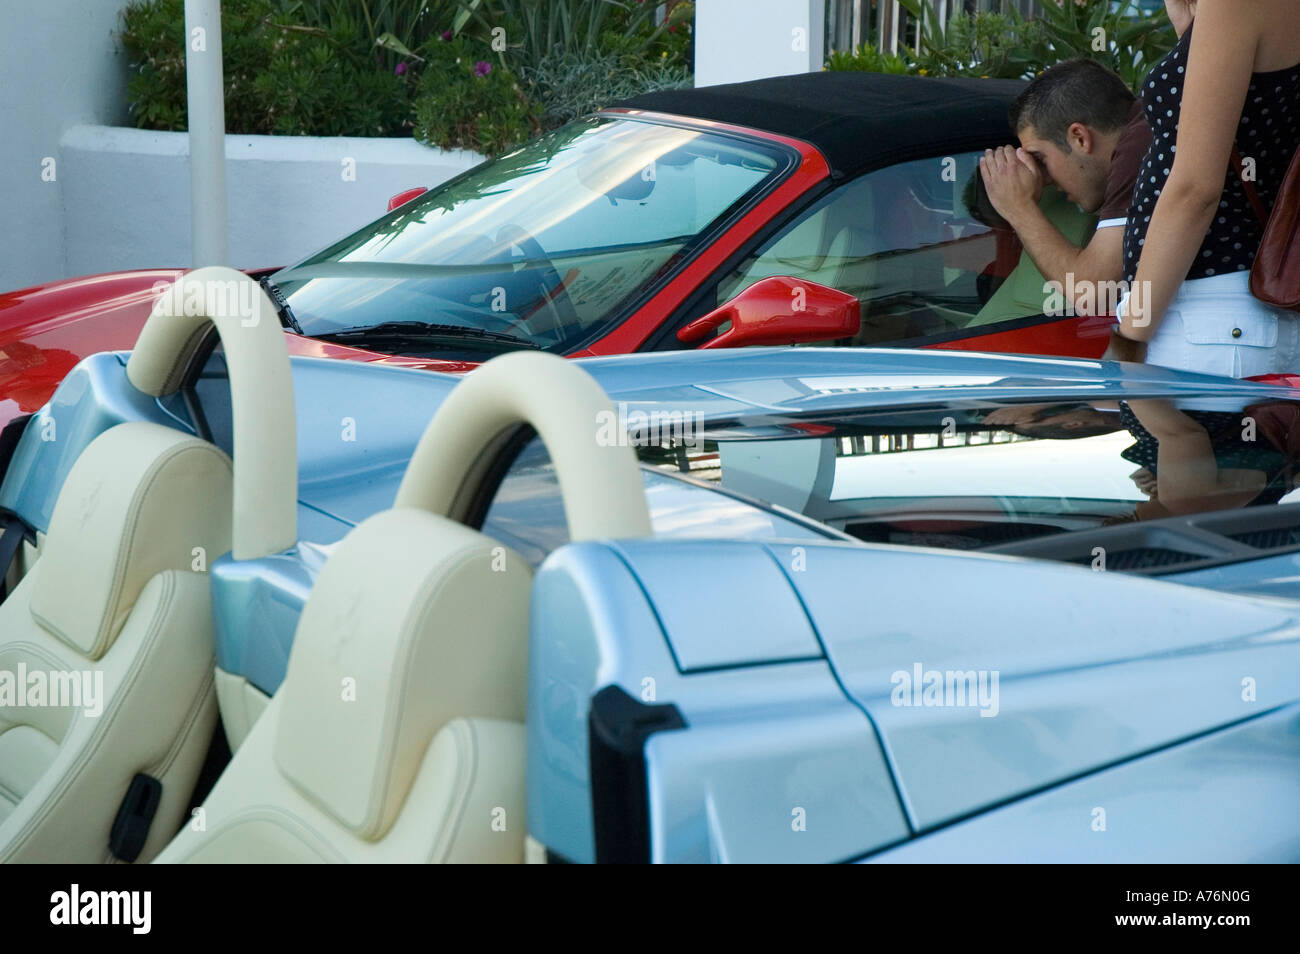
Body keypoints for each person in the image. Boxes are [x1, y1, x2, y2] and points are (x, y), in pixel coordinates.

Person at [1112, 0, 1300, 377]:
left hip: (1206, 312)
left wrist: (1128, 339)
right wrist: (1191, 33)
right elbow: (1254, 123)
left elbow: (1195, 192)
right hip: (1232, 312)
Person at [980, 58, 1152, 318]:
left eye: (1040, 159)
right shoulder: (1145, 130)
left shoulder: (1138, 149)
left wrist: (1019, 207)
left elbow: (1092, 292)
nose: (1044, 179)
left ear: (1080, 138)